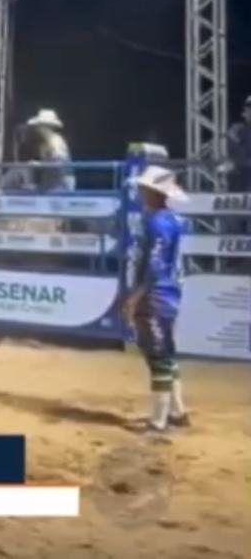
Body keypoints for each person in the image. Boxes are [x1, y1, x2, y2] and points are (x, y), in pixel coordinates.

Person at [122, 165, 189, 435]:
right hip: (167, 293)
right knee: (165, 352)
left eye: (144, 188)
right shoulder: (172, 220)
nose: (140, 191)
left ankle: (159, 421)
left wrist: (135, 297)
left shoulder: (156, 222)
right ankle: (177, 412)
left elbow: (153, 265)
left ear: (153, 192)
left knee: (158, 354)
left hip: (156, 296)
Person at [23, 109, 75, 192]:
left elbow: (59, 164)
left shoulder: (56, 140)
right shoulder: (44, 144)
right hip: (50, 181)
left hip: (61, 182)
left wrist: (39, 165)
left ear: (47, 127)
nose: (38, 128)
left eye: (40, 125)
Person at [223, 95, 251, 193]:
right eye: (248, 109)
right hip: (241, 180)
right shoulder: (236, 129)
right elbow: (237, 154)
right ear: (244, 112)